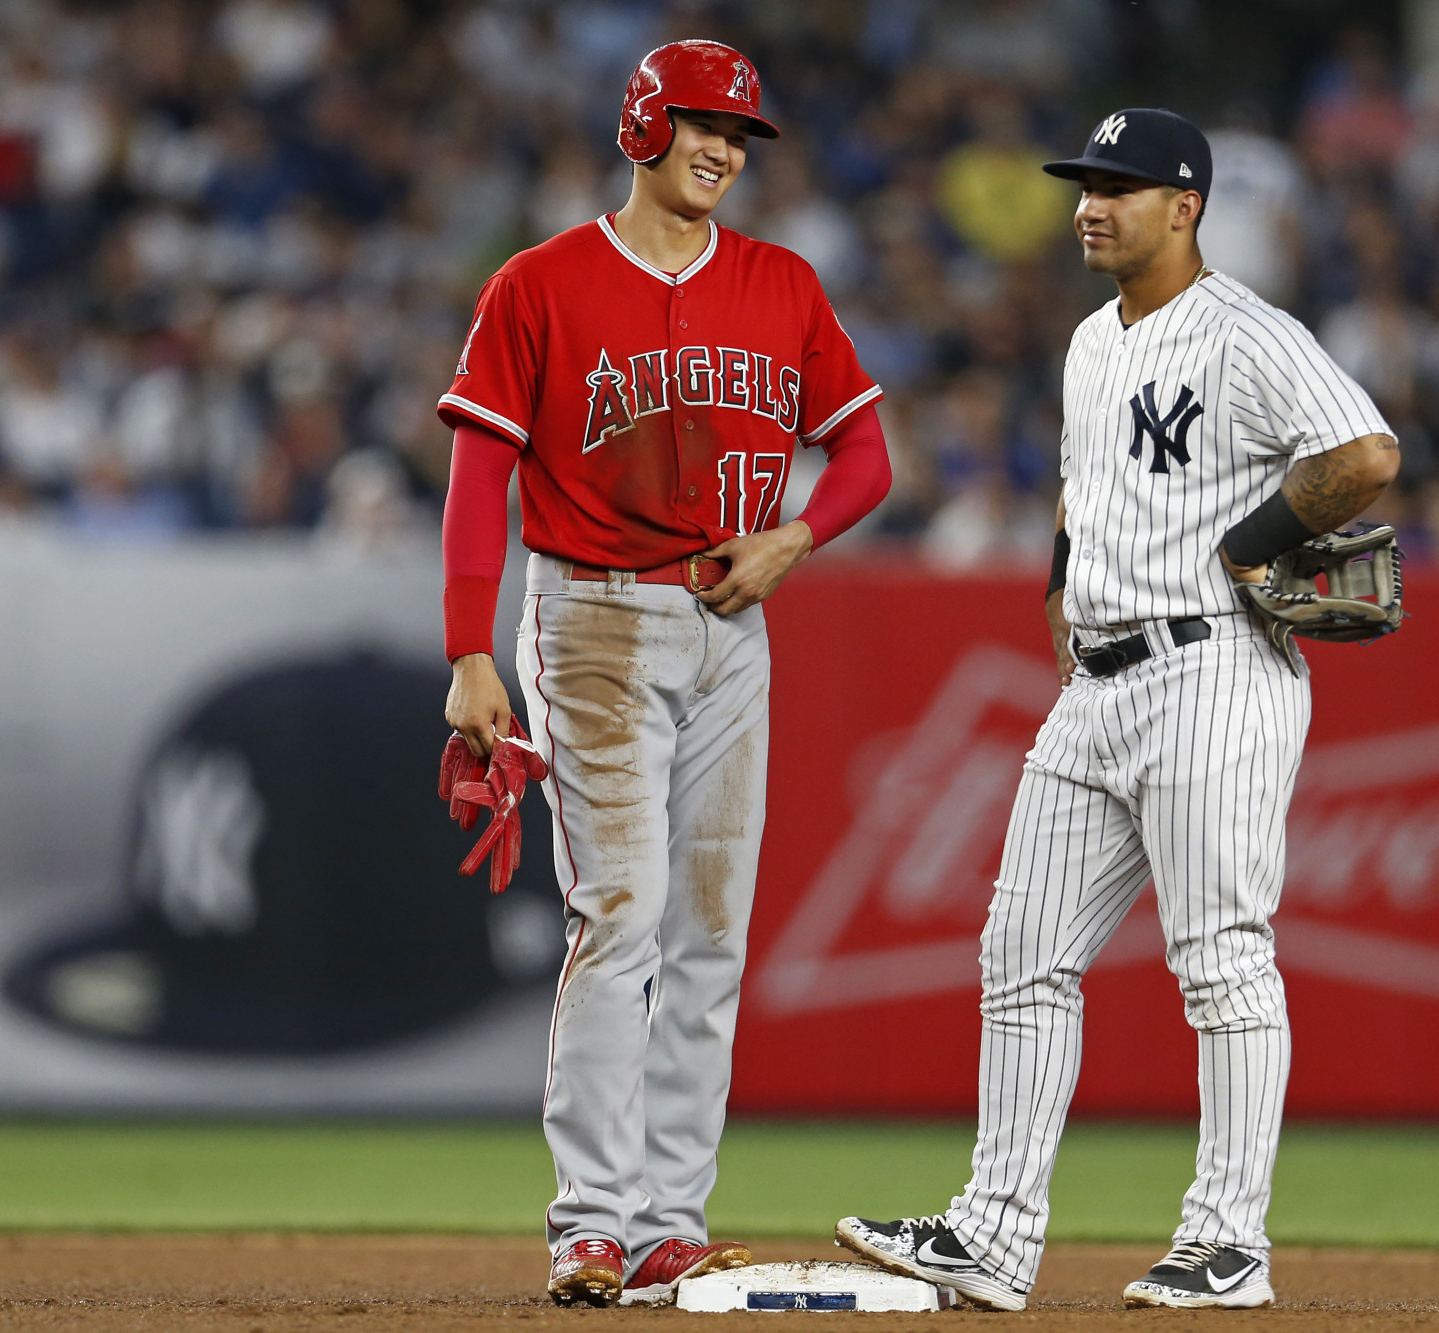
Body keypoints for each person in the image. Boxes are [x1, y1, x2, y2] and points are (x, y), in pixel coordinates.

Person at [836, 108, 1398, 1311]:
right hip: (1096, 681)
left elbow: (1362, 452)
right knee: (1019, 954)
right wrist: (1057, 593)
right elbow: (1080, 492)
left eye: (1121, 186)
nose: (1090, 204)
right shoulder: (1089, 342)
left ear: (1184, 205)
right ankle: (990, 1234)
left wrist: (1252, 547)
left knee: (1217, 961)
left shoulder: (1246, 333)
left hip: (1213, 674)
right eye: (1085, 184)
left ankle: (1226, 1239)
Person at [436, 40, 891, 1308]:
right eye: (702, 125)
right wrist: (471, 651)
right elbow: (478, 481)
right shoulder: (540, 283)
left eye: (739, 136)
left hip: (728, 627)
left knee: (710, 934)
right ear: (643, 123)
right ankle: (589, 1220)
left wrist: (797, 536)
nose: (723, 151)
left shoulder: (781, 283)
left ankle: (667, 1222)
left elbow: (863, 455)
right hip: (587, 622)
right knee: (621, 913)